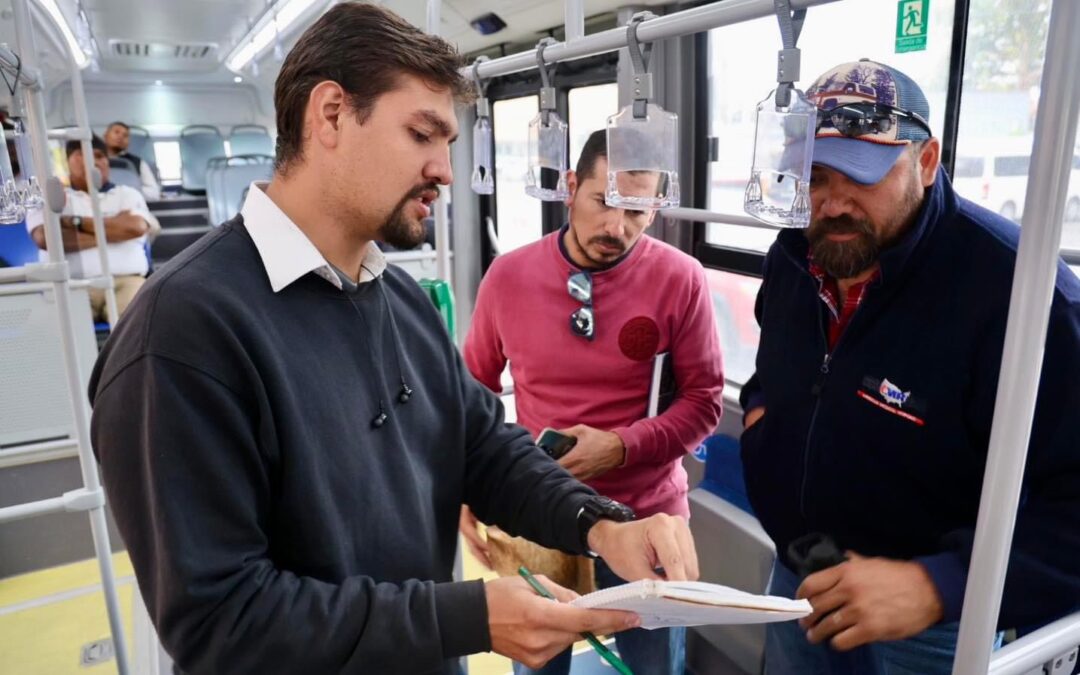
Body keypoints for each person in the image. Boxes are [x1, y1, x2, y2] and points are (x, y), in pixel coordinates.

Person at [88, 5, 700, 674]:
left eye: (449, 145)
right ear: (329, 115)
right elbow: (223, 621)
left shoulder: (397, 298)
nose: (443, 168)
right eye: (421, 135)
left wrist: (602, 524)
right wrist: (468, 616)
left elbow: (484, 448)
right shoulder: (183, 331)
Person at [739, 59, 1080, 674]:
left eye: (862, 175)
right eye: (813, 174)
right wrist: (763, 427)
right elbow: (776, 375)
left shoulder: (1023, 293)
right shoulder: (793, 257)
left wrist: (939, 584)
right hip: (797, 575)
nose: (833, 202)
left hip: (935, 623)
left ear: (926, 162)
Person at [460, 129, 724, 675]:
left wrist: (621, 448)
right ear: (572, 187)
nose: (615, 228)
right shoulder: (508, 278)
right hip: (536, 507)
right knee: (538, 663)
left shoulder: (681, 280)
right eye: (603, 202)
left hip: (645, 510)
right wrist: (459, 487)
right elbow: (469, 395)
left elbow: (704, 404)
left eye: (637, 212)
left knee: (653, 667)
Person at [27, 135, 155, 321]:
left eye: (99, 155)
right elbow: (47, 239)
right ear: (67, 161)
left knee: (136, 326)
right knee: (63, 329)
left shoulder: (127, 194)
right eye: (82, 154)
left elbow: (135, 228)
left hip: (126, 281)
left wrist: (75, 223)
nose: (93, 161)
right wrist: (115, 232)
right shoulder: (51, 197)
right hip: (71, 284)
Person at [103, 120, 161, 201]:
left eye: (125, 135)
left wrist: (128, 192)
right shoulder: (90, 160)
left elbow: (154, 194)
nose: (120, 137)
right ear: (105, 135)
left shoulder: (138, 163)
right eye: (116, 132)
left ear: (128, 142)